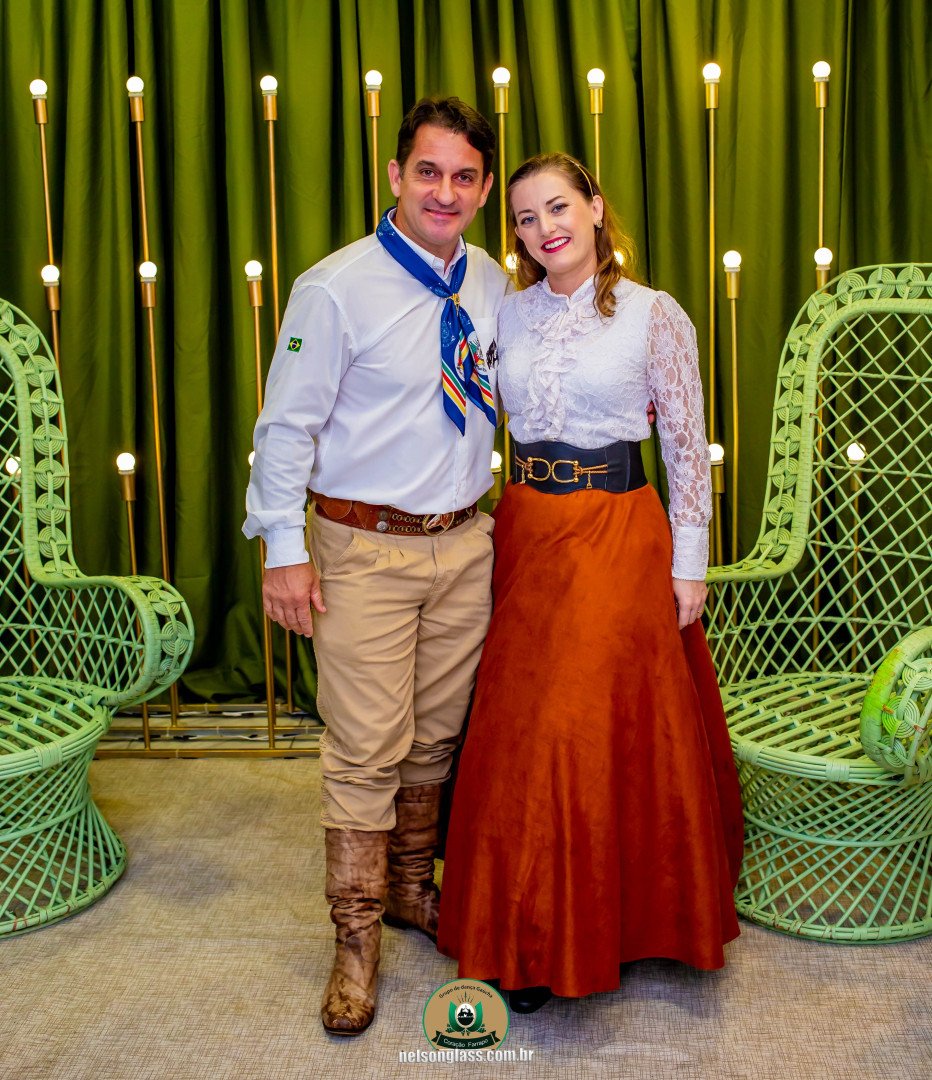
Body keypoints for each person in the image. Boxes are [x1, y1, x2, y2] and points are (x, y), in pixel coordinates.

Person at [436, 153, 745, 1013]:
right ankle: (520, 925)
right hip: (526, 530)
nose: (544, 229)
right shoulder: (507, 311)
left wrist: (690, 563)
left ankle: (571, 937)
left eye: (558, 207)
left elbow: (686, 446)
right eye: (526, 218)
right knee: (517, 727)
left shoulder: (653, 314)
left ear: (597, 208)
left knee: (580, 728)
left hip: (616, 531)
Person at [243, 97, 510, 1036]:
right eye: (427, 171)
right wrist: (283, 550)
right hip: (362, 548)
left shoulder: (490, 280)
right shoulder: (334, 287)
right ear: (396, 176)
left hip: (463, 542)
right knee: (365, 749)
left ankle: (408, 890)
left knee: (435, 738)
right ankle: (354, 940)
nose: (445, 191)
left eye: (464, 176)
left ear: (484, 189)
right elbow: (286, 428)